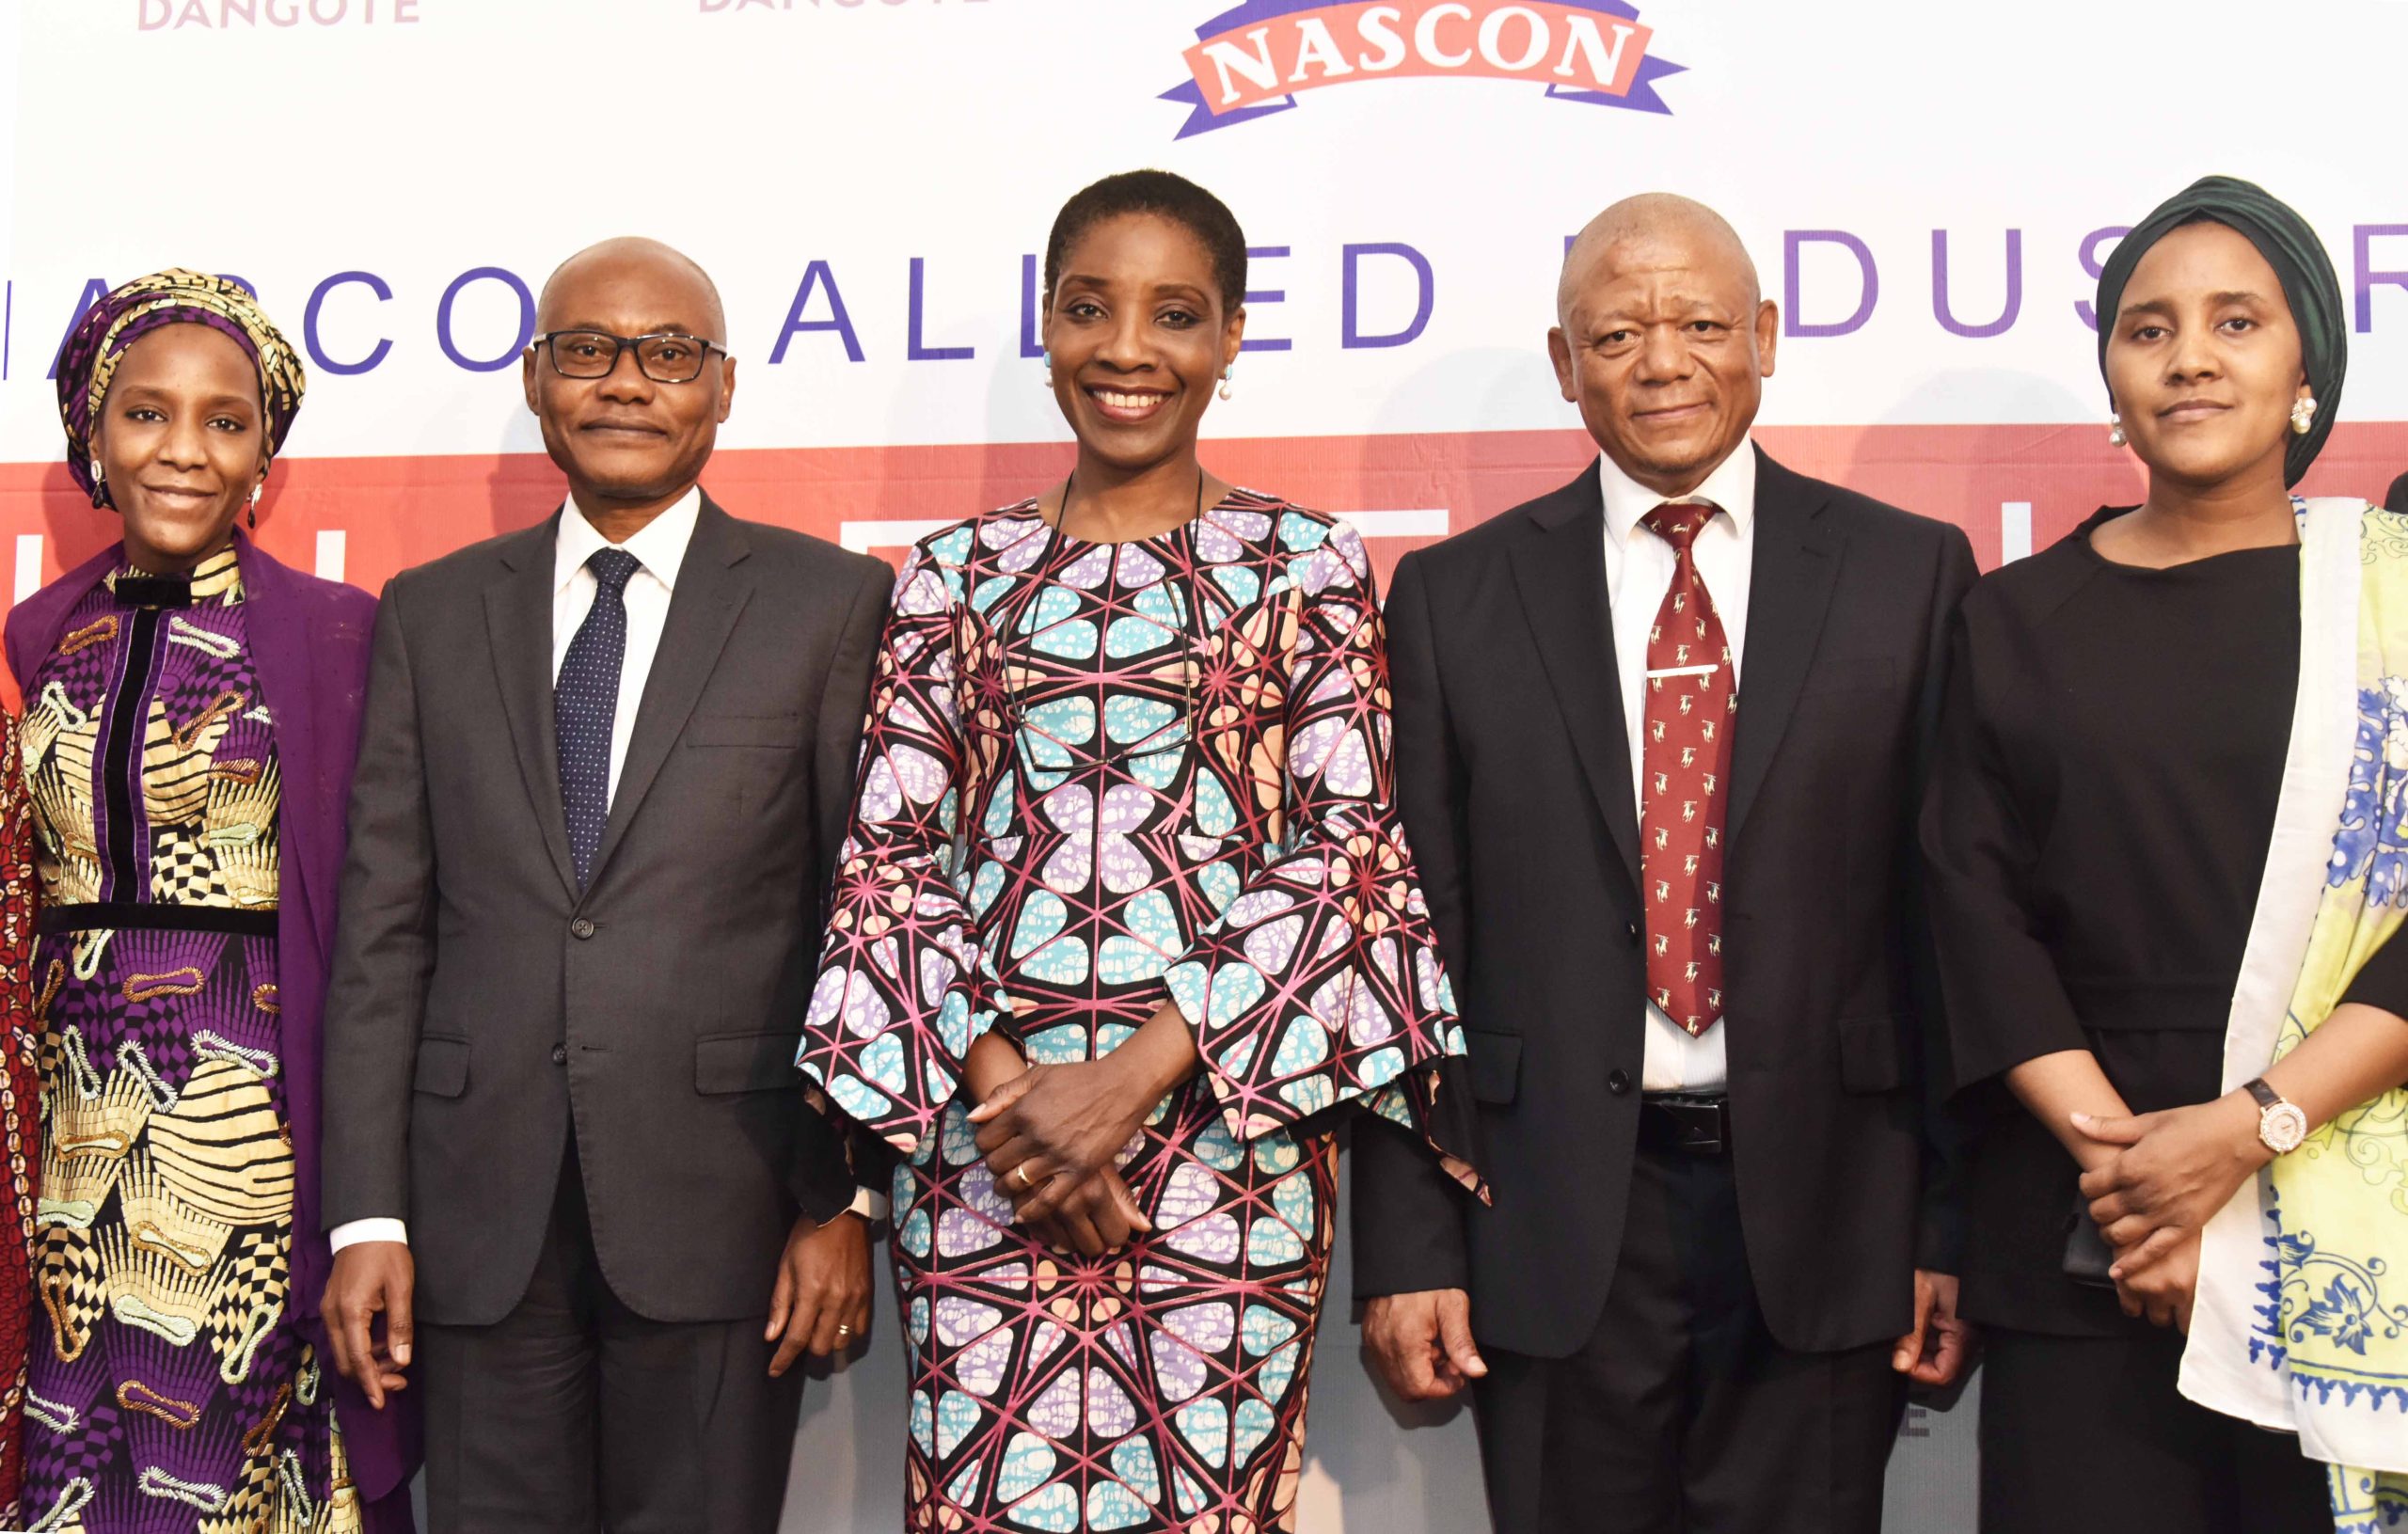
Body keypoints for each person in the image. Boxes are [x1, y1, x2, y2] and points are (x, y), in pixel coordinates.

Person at [797, 168, 1479, 1534]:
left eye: (1175, 315)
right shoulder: (950, 576)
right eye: (1090, 308)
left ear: (1230, 339)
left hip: (1228, 1153)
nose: (1127, 350)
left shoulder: (1306, 565)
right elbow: (888, 864)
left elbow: (1351, 853)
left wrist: (1132, 1083)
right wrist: (1018, 1115)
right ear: (1046, 323)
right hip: (983, 1159)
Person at [1352, 194, 1977, 1534]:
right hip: (1554, 1214)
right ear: (1566, 364)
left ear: (1762, 335)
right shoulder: (1454, 600)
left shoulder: (1911, 576)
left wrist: (1948, 1228)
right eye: (1618, 330)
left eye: (1700, 323)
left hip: (1830, 1204)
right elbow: (1402, 939)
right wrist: (1407, 1246)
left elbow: (1949, 936)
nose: (1663, 359)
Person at [315, 238, 892, 1533]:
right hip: (472, 1219)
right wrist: (365, 1215)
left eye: (668, 353)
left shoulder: (830, 605)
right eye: (587, 350)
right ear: (535, 379)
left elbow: (864, 926)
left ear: (724, 388)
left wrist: (844, 1194)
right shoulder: (431, 611)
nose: (626, 382)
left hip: (730, 1208)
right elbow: (382, 937)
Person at [1923, 175, 2408, 1534]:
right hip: (2084, 1230)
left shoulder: (2393, 600)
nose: (2190, 355)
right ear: (2114, 380)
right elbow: (1971, 911)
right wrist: (2142, 1189)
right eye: (2150, 328)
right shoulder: (2010, 619)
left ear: (2309, 370)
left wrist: (2252, 1136)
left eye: (2236, 321)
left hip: (2351, 1209)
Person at [6, 270, 415, 1531]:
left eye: (224, 423)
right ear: (93, 436)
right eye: (147, 415)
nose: (184, 450)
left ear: (264, 458)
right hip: (75, 1154)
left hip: (255, 1151)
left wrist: (364, 1205)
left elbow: (387, 929)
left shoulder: (339, 636)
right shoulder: (34, 642)